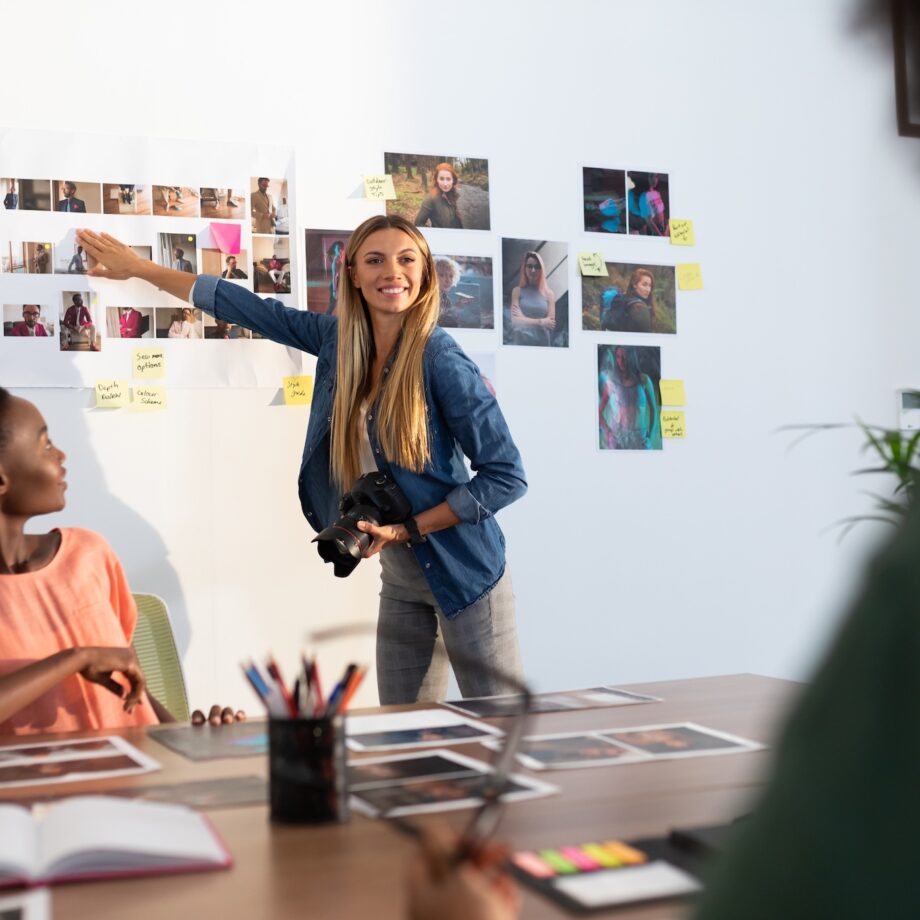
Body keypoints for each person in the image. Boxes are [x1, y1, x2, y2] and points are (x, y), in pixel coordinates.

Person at [77, 216, 527, 705]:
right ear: (352, 273)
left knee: (498, 725)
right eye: (375, 260)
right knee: (404, 736)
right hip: (401, 576)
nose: (391, 272)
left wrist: (407, 529)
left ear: (424, 274)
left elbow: (506, 477)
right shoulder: (339, 342)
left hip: (467, 574)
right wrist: (139, 268)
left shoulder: (440, 359)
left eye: (405, 259)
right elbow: (246, 307)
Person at [0, 388, 244, 735]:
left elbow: (136, 694)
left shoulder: (88, 553)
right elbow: (85, 659)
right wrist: (75, 659)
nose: (62, 455)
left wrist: (191, 744)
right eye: (45, 445)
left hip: (141, 776)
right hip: (46, 787)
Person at [598, 346, 658, 450]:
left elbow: (653, 409)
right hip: (619, 436)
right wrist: (608, 432)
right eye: (618, 357)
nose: (621, 361)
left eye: (624, 357)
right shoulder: (612, 381)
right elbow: (599, 411)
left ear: (631, 358)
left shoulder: (644, 380)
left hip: (640, 437)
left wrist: (650, 435)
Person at [509, 251, 555, 347]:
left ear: (541, 269)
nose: (533, 270)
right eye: (530, 266)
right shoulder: (517, 291)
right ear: (524, 268)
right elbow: (515, 322)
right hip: (522, 344)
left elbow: (550, 324)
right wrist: (541, 322)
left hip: (542, 345)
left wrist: (523, 319)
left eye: (537, 267)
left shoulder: (549, 294)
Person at [414, 163, 463, 229]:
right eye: (441, 179)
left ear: (453, 180)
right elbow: (418, 224)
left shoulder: (453, 192)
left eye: (448, 179)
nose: (445, 184)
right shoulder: (431, 198)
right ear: (437, 180)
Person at [619, 268, 657, 333]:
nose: (648, 289)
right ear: (634, 284)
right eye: (644, 285)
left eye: (650, 286)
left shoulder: (625, 298)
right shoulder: (640, 309)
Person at [434, 256, 462, 327]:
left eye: (451, 276)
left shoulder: (444, 297)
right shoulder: (431, 298)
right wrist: (457, 306)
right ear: (432, 276)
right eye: (442, 275)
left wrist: (459, 305)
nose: (448, 280)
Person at [326, 239, 346, 315]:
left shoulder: (341, 260)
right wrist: (334, 291)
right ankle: (326, 319)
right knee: (332, 305)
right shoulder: (336, 261)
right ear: (335, 250)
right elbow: (334, 277)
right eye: (338, 249)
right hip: (335, 285)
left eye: (341, 249)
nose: (340, 251)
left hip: (339, 285)